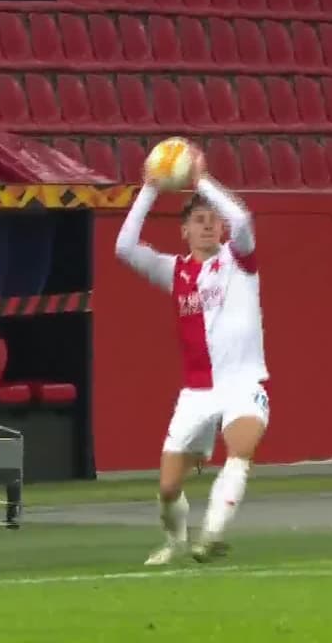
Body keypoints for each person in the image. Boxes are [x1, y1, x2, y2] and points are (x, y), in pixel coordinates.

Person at [115, 151, 269, 566]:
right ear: (183, 230)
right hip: (197, 392)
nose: (207, 225)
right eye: (198, 220)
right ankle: (175, 541)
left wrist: (201, 181)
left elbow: (243, 221)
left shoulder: (238, 260)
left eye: (212, 220)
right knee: (168, 488)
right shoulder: (174, 271)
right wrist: (150, 188)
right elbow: (124, 248)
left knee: (240, 451)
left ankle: (211, 535)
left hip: (243, 382)